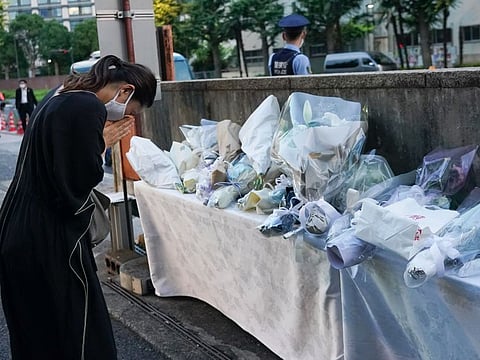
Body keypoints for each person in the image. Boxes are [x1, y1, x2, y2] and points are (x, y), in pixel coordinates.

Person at [0, 54, 157, 359]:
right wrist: (101, 144)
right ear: (125, 91)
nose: (122, 119)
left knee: (35, 331)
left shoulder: (60, 95)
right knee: (79, 328)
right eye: (131, 111)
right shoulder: (87, 107)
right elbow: (75, 182)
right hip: (48, 237)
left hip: (16, 228)